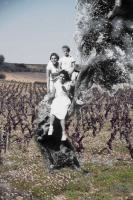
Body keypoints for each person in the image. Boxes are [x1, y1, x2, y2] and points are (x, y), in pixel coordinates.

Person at [48, 70, 72, 141]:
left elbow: (67, 94)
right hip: (57, 99)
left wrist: (65, 89)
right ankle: (51, 127)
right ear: (59, 76)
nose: (62, 78)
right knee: (52, 112)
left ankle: (63, 133)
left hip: (64, 100)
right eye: (61, 76)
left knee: (62, 116)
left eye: (63, 77)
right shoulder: (56, 83)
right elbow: (52, 94)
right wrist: (47, 98)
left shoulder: (68, 84)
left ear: (66, 78)